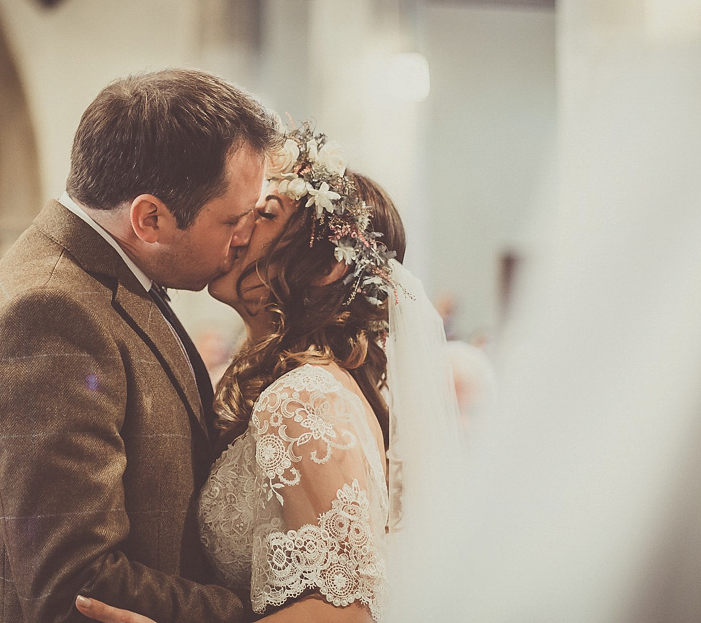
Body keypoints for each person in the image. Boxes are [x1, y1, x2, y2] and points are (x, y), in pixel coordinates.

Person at [75, 124, 462, 622]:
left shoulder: (302, 400)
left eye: (264, 216)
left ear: (325, 268)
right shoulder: (302, 386)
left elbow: (339, 616)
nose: (237, 230)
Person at [0, 68, 281, 622]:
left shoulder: (100, 274)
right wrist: (262, 614)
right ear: (150, 218)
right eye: (232, 219)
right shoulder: (49, 314)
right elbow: (77, 581)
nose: (242, 238)